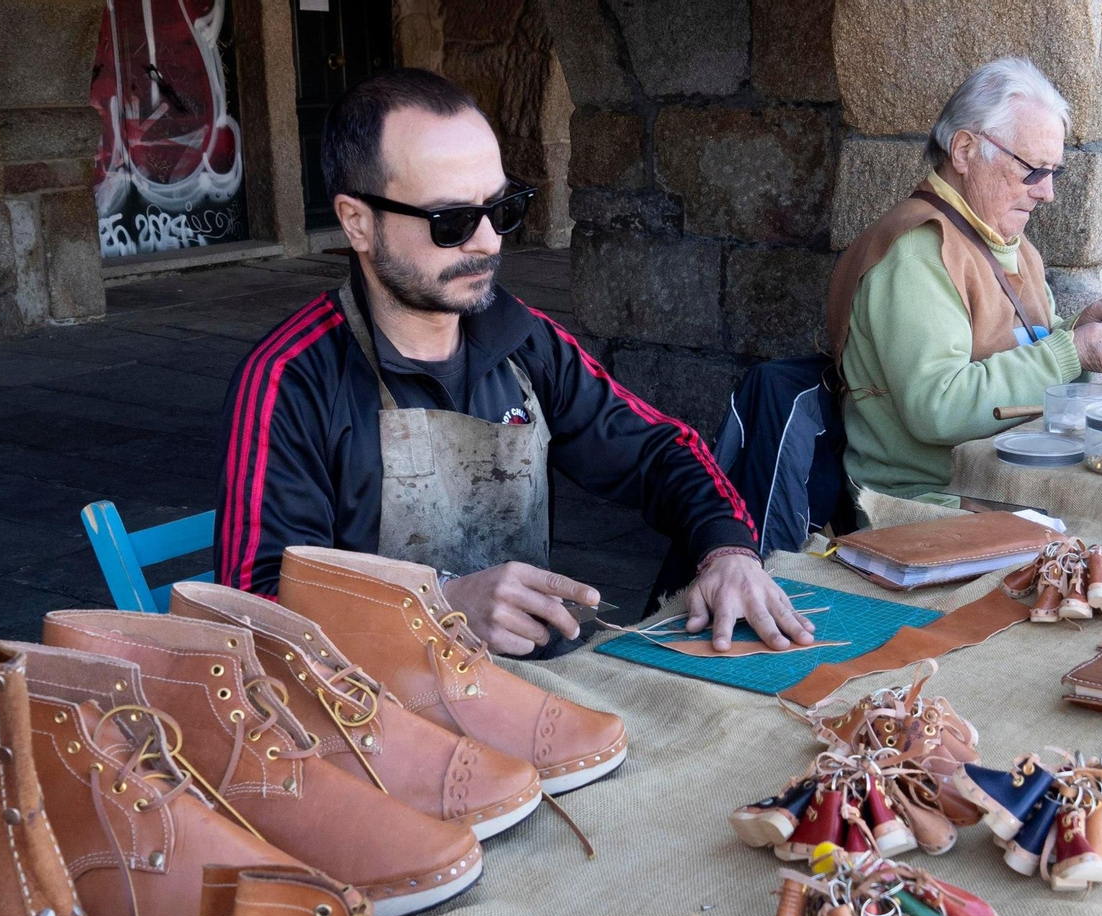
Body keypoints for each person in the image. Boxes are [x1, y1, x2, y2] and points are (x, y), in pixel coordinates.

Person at [214, 68, 812, 656]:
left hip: (528, 687)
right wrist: (438, 606)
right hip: (368, 715)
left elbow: (660, 451)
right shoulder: (289, 380)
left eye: (500, 208)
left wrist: (728, 553)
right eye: (450, 221)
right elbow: (252, 608)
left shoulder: (525, 343)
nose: (488, 241)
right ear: (358, 223)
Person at [828, 56, 1102, 502]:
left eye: (1054, 172)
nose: (1047, 192)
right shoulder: (917, 252)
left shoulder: (1013, 246)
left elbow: (1033, 358)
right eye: (1032, 169)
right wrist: (1069, 353)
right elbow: (938, 407)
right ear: (964, 151)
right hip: (928, 502)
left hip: (1013, 485)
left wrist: (1083, 338)